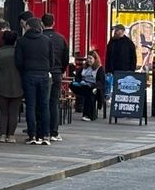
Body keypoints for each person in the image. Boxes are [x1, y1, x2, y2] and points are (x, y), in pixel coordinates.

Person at [15, 17, 53, 145]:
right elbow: (51, 60)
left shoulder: (21, 41)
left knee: (30, 106)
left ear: (28, 27)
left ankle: (32, 135)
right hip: (43, 75)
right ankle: (45, 135)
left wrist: (24, 71)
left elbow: (18, 62)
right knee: (44, 106)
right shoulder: (47, 40)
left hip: (29, 75)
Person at [0, 30, 24, 142]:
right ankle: (11, 136)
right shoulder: (19, 54)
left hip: (1, 84)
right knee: (13, 112)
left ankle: (3, 134)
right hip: (18, 85)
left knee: (3, 111)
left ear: (3, 40)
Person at [41, 13, 68, 143]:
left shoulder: (41, 38)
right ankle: (54, 131)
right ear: (54, 23)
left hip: (44, 73)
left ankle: (43, 130)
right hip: (57, 73)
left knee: (43, 102)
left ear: (42, 23)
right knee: (54, 103)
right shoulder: (61, 39)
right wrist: (61, 70)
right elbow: (66, 59)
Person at [69, 49, 105, 121]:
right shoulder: (84, 67)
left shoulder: (99, 68)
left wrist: (92, 85)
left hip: (94, 87)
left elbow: (101, 82)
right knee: (72, 84)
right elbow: (78, 77)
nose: (88, 60)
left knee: (90, 93)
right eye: (88, 58)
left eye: (90, 58)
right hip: (84, 85)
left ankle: (89, 115)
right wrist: (80, 81)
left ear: (95, 59)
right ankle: (86, 113)